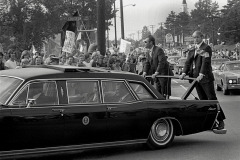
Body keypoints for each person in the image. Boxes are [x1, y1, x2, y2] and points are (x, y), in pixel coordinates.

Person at [179, 30, 226, 130]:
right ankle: (210, 122)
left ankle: (221, 120)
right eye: (194, 37)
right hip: (196, 79)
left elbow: (206, 62)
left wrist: (201, 74)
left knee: (212, 100)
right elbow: (188, 62)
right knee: (203, 101)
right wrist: (184, 72)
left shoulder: (206, 48)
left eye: (197, 37)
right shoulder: (192, 49)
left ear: (201, 37)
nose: (195, 39)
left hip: (206, 78)